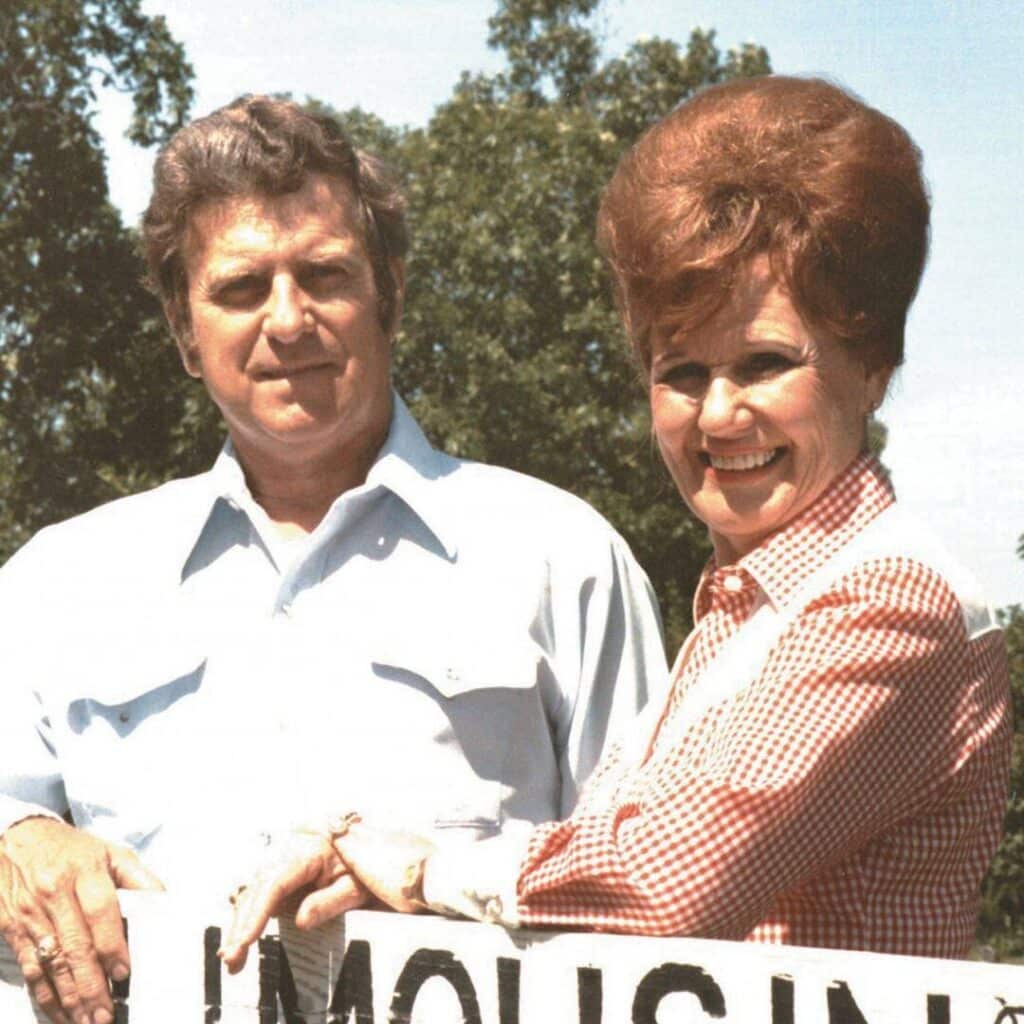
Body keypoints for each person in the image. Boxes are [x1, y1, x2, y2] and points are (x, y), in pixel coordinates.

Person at [221, 75, 1012, 966]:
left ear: (871, 366)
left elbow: (670, 877)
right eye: (680, 373)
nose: (717, 417)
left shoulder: (889, 598)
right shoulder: (748, 609)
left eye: (764, 363)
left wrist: (425, 872)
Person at [0, 96, 668, 1024]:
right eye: (239, 289)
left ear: (389, 292)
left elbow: (658, 890)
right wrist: (19, 840)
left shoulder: (564, 559)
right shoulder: (55, 585)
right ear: (183, 331)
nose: (287, 319)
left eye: (324, 274)